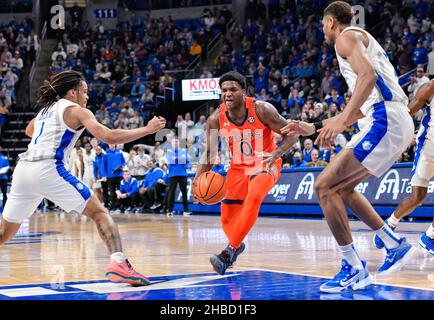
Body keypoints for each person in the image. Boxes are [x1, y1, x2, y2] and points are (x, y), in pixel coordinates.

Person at [0, 70, 166, 286]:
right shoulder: (77, 111)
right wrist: (147, 129)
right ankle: (119, 263)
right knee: (99, 213)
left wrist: (51, 132)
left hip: (23, 170)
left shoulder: (45, 110)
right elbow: (108, 136)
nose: (87, 96)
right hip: (48, 168)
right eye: (85, 91)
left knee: (3, 233)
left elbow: (29, 130)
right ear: (72, 92)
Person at [282, 1, 415, 293]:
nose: (323, 31)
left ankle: (354, 268)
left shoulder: (345, 37)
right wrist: (315, 127)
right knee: (343, 189)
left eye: (322, 25)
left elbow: (367, 78)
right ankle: (393, 243)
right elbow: (364, 102)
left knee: (324, 187)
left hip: (386, 119)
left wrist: (341, 122)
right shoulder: (359, 40)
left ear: (331, 22)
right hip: (387, 118)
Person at [193, 71, 297, 275]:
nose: (228, 94)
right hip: (238, 167)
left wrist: (275, 153)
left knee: (254, 196)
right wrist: (197, 181)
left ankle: (228, 252)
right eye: (224, 90)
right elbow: (210, 153)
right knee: (227, 217)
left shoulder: (262, 109)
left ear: (244, 92)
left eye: (233, 89)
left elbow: (292, 136)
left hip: (265, 162)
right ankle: (236, 243)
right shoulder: (216, 118)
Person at [373, 80, 434, 254]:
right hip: (428, 149)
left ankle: (429, 236)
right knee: (417, 198)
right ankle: (389, 225)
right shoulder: (429, 87)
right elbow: (407, 114)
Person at [165, 137, 190, 217]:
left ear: (179, 143)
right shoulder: (169, 151)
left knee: (184, 193)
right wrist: (179, 159)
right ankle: (169, 210)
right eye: (174, 142)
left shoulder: (184, 150)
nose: (175, 143)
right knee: (171, 193)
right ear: (171, 143)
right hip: (172, 174)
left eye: (177, 141)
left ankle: (186, 210)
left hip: (182, 174)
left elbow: (185, 161)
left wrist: (176, 159)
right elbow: (170, 161)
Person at [105, 144, 126, 211]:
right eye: (110, 144)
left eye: (113, 143)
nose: (112, 145)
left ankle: (121, 206)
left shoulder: (119, 152)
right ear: (108, 145)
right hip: (110, 176)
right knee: (112, 191)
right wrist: (104, 175)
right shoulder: (106, 153)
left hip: (119, 175)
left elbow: (123, 162)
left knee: (121, 191)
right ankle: (113, 206)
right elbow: (103, 164)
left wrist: (121, 167)